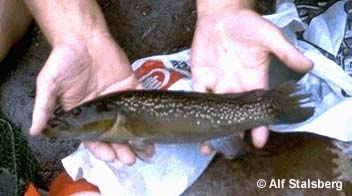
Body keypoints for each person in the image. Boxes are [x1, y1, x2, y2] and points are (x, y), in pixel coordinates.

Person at [0, 0, 312, 165]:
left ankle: (270, 108)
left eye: (78, 114)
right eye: (77, 116)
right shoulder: (116, 117)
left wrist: (226, 8)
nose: (72, 116)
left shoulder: (119, 118)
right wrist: (74, 32)